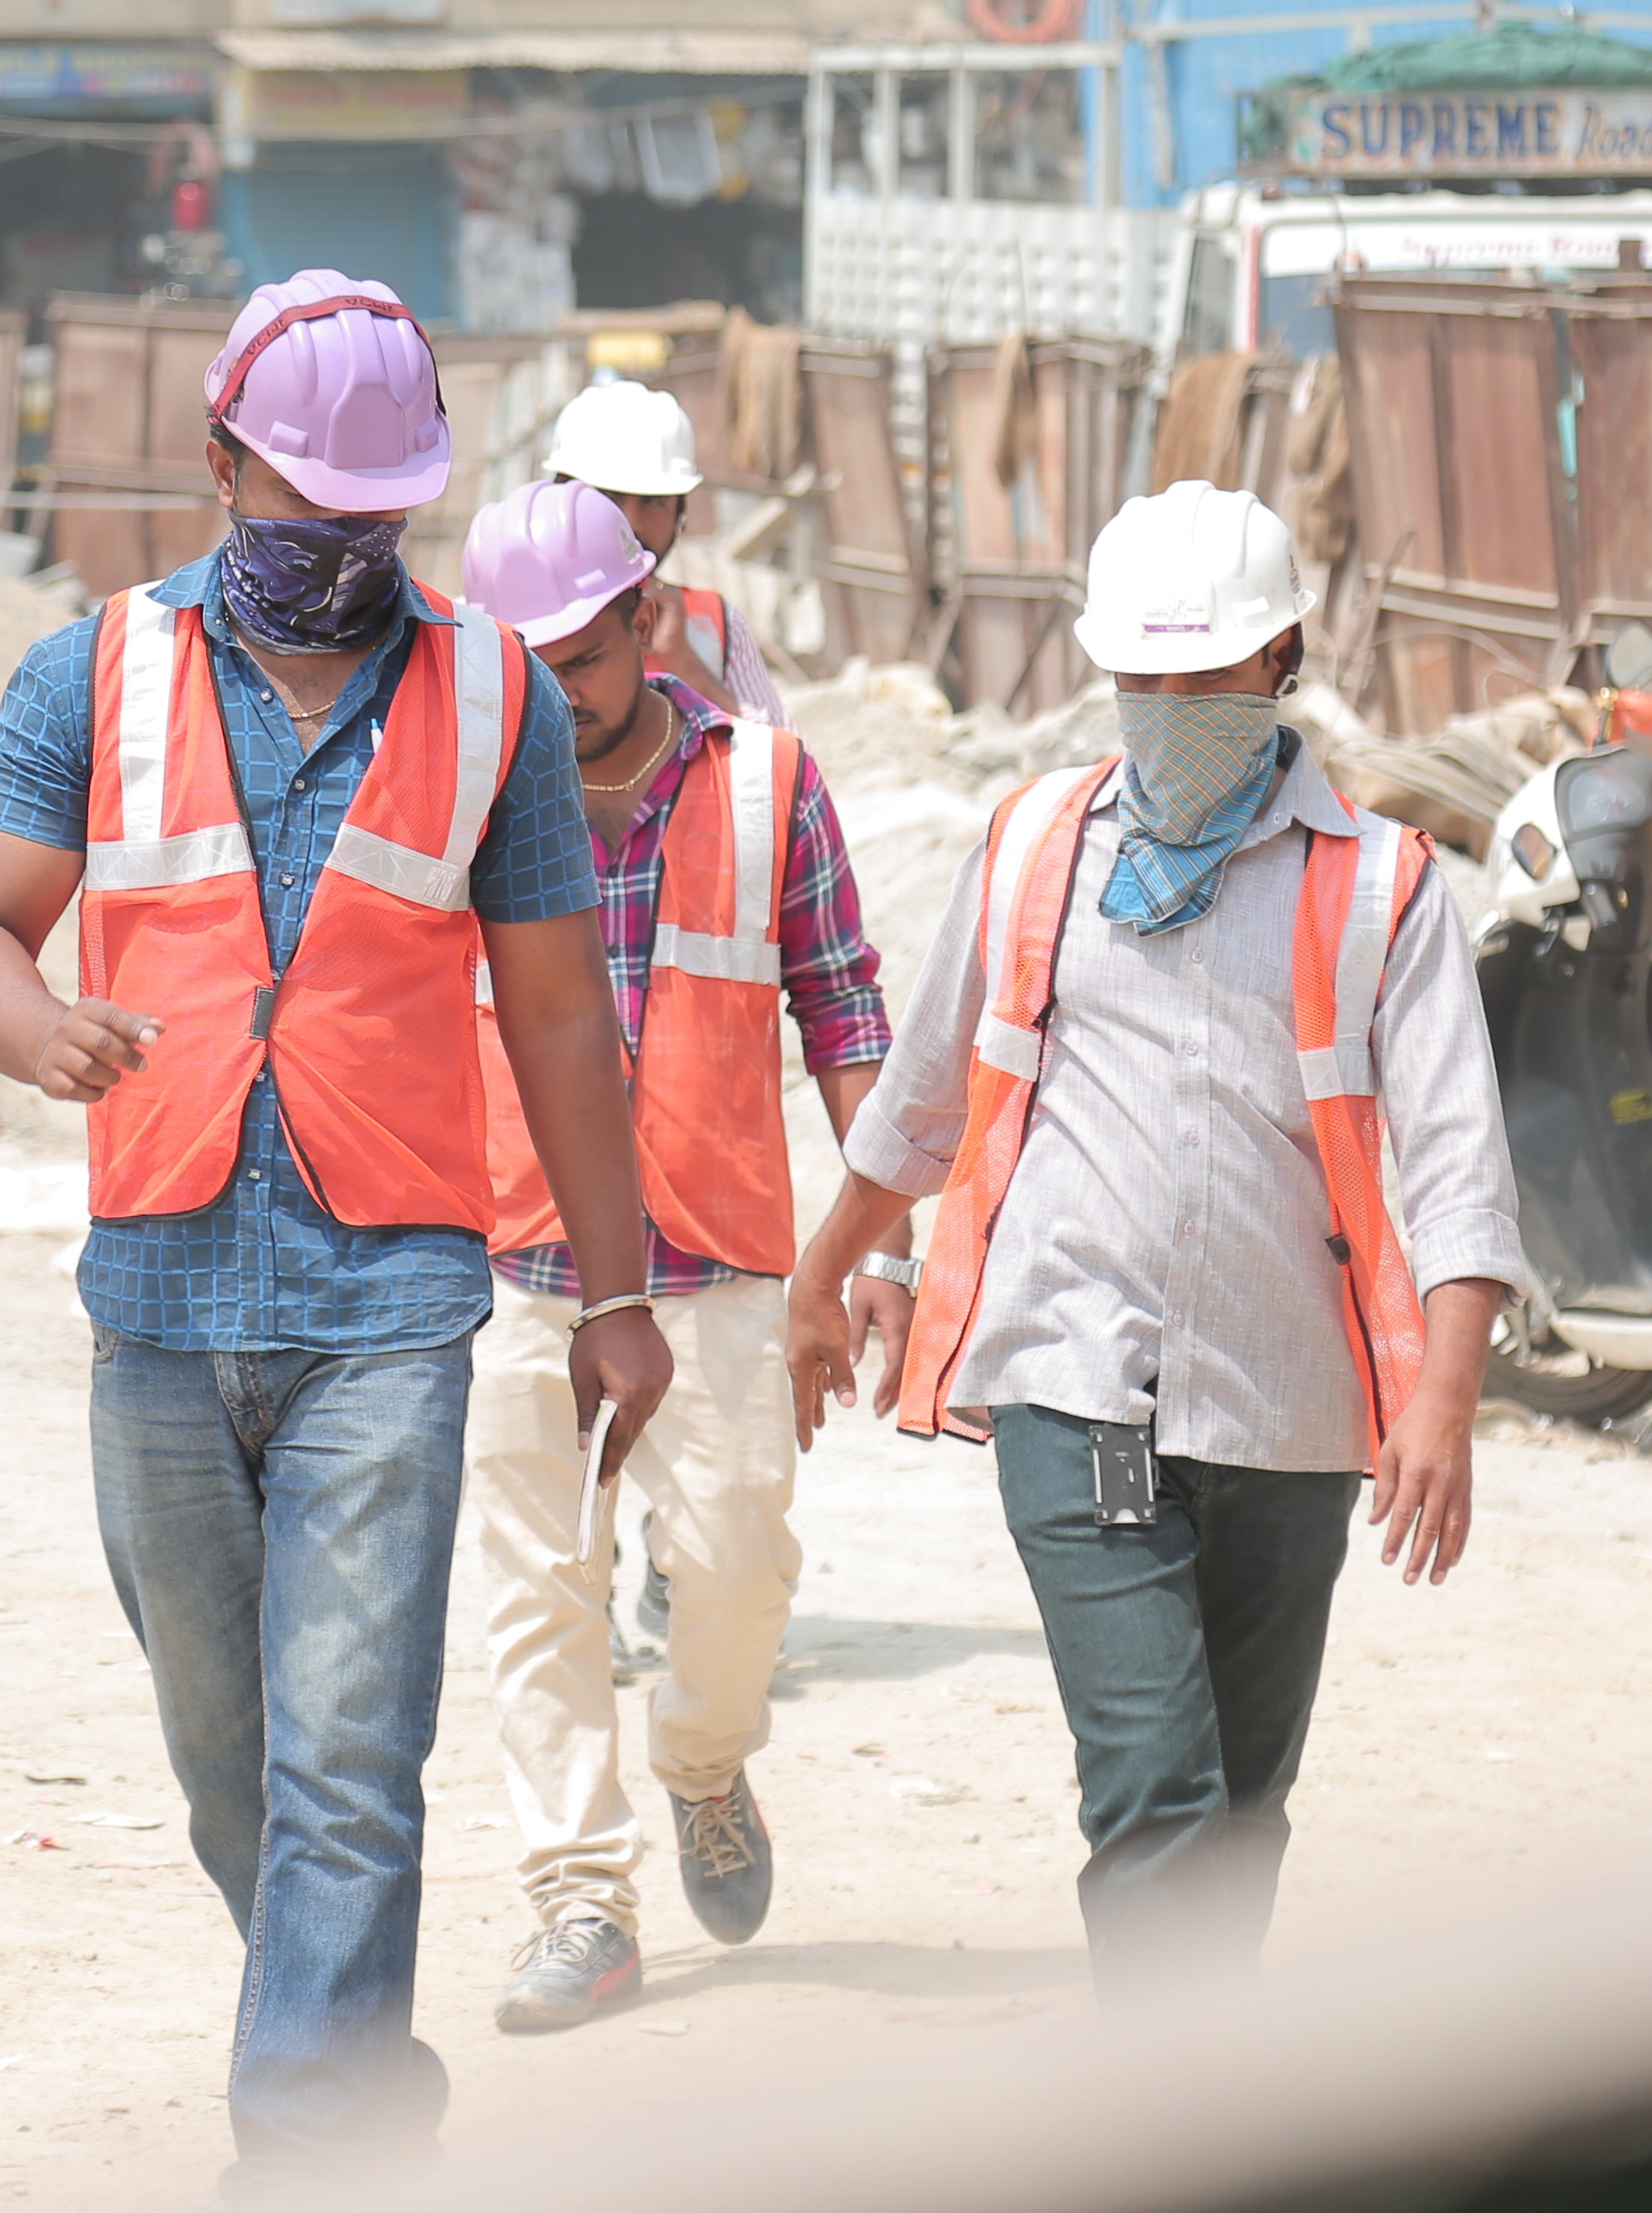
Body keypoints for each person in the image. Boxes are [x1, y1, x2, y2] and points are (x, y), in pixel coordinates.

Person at [0, 271, 670, 2193]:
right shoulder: (85, 673)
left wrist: (609, 1287)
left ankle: (308, 2172)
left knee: (348, 1758)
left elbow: (562, 1014)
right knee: (227, 1759)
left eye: (371, 515)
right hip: (160, 1290)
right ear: (216, 464)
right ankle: (348, 2065)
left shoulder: (490, 691)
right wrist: (35, 1030)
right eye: (299, 504)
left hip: (388, 1299)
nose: (334, 546)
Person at [786, 482, 1524, 1982]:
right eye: (1144, 682)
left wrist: (1445, 1398)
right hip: (1079, 1385)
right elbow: (923, 1097)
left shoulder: (1386, 890)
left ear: (1285, 662)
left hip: (1289, 1414)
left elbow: (1458, 1166)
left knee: (1243, 1812)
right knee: (1158, 1801)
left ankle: (1200, 2107)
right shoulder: (1038, 846)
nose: (1172, 710)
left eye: (1206, 680)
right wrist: (827, 1274)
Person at [456, 479, 891, 2033]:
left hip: (717, 1273)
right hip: (518, 1266)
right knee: (541, 1597)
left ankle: (707, 1767)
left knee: (732, 1574)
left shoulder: (770, 786)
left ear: (649, 620)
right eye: (517, 671)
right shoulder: (455, 796)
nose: (548, 703)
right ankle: (580, 1899)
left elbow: (846, 1013)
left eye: (574, 663)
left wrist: (874, 1244)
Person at [548, 372, 784, 722]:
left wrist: (685, 664)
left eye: (653, 502)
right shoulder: (502, 619)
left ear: (681, 514)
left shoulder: (716, 624)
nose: (633, 525)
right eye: (609, 498)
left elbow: (783, 765)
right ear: (558, 500)